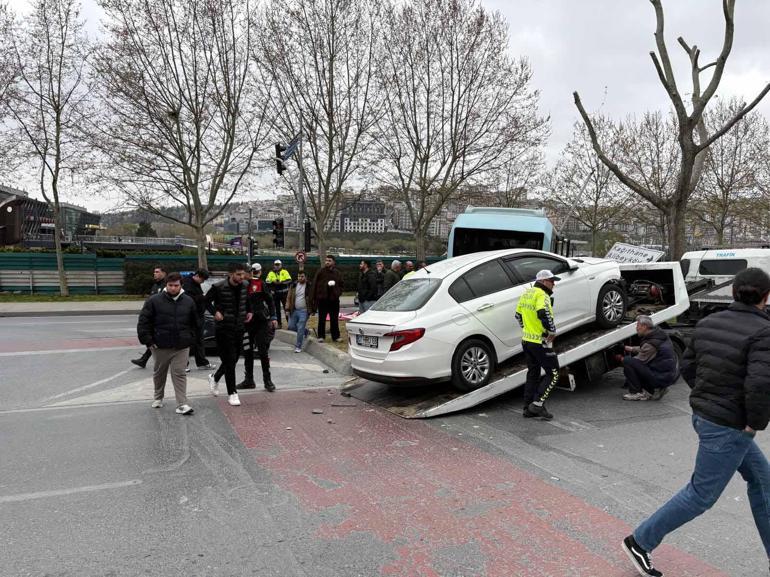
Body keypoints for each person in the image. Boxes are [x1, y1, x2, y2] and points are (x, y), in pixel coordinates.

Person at [623, 268, 770, 577]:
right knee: (701, 496)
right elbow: (759, 385)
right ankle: (640, 541)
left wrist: (706, 397)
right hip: (730, 427)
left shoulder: (708, 322)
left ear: (733, 293)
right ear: (766, 297)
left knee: (763, 481)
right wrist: (753, 423)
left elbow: (687, 366)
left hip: (707, 416)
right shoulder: (764, 332)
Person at [136, 272, 198, 415]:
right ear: (166, 285)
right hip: (160, 345)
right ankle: (158, 397)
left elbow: (195, 323)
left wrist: (191, 338)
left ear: (181, 285)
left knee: (180, 373)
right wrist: (148, 341)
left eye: (176, 285)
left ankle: (182, 404)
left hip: (182, 345)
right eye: (170, 285)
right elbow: (144, 322)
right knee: (159, 373)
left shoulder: (188, 301)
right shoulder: (154, 300)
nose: (173, 288)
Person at [515, 269, 561, 421]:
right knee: (553, 373)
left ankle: (527, 408)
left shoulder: (527, 293)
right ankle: (537, 404)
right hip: (540, 342)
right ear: (543, 281)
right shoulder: (542, 294)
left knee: (533, 374)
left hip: (527, 341)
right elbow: (543, 313)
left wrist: (527, 329)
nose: (553, 284)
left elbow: (518, 315)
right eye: (551, 281)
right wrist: (551, 331)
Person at [205, 262, 252, 406]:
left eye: (243, 274)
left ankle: (215, 377)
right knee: (230, 361)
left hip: (239, 327)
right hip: (223, 329)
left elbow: (247, 300)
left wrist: (250, 311)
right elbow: (206, 301)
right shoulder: (218, 287)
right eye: (238, 274)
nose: (242, 276)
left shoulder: (245, 285)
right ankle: (232, 393)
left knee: (233, 359)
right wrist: (215, 312)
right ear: (230, 274)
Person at [238, 263, 278, 392]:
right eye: (242, 273)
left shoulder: (259, 284)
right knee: (247, 352)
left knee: (263, 352)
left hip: (261, 323)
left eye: (247, 272)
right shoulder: (237, 286)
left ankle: (268, 381)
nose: (244, 276)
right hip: (245, 325)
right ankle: (249, 380)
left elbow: (270, 301)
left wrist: (273, 317)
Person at [621, 315, 679, 401]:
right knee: (631, 362)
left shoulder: (652, 342)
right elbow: (644, 349)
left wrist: (621, 359)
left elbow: (638, 360)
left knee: (628, 361)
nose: (636, 328)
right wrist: (629, 348)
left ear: (645, 327)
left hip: (660, 377)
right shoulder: (658, 335)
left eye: (638, 325)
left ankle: (637, 392)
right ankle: (657, 389)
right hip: (665, 375)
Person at [131, 265, 167, 368]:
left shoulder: (166, 285)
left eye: (157, 272)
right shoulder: (156, 285)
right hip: (153, 317)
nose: (154, 274)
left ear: (163, 273)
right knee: (153, 339)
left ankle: (145, 359)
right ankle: (144, 359)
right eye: (154, 272)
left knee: (155, 338)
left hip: (160, 318)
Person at [182, 268, 216, 371]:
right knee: (187, 341)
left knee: (199, 341)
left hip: (198, 317)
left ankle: (202, 363)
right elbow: (189, 299)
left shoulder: (195, 284)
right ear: (197, 276)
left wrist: (214, 312)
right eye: (202, 280)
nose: (203, 282)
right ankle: (183, 365)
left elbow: (204, 301)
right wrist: (202, 296)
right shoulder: (187, 283)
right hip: (189, 317)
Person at [311, 255, 344, 343]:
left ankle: (336, 336)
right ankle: (321, 336)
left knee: (334, 319)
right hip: (323, 300)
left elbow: (341, 285)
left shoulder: (337, 273)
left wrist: (337, 292)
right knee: (321, 319)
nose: (327, 262)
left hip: (334, 300)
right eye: (326, 260)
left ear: (333, 262)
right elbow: (315, 285)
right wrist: (315, 297)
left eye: (329, 260)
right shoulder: (321, 272)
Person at [287, 271, 312, 352]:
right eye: (298, 276)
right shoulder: (293, 285)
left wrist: (313, 309)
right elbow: (289, 297)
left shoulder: (309, 286)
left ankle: (298, 346)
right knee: (291, 326)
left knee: (300, 328)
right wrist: (287, 309)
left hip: (304, 311)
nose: (300, 278)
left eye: (302, 276)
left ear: (305, 277)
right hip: (294, 310)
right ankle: (306, 331)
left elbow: (313, 299)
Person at [265, 259, 292, 328]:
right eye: (275, 265)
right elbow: (267, 282)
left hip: (284, 293)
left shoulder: (284, 271)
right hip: (275, 293)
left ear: (281, 265)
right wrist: (273, 283)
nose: (277, 266)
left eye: (278, 265)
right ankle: (279, 324)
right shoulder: (271, 273)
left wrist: (281, 282)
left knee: (286, 309)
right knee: (277, 309)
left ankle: (290, 324)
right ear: (274, 265)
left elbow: (289, 280)